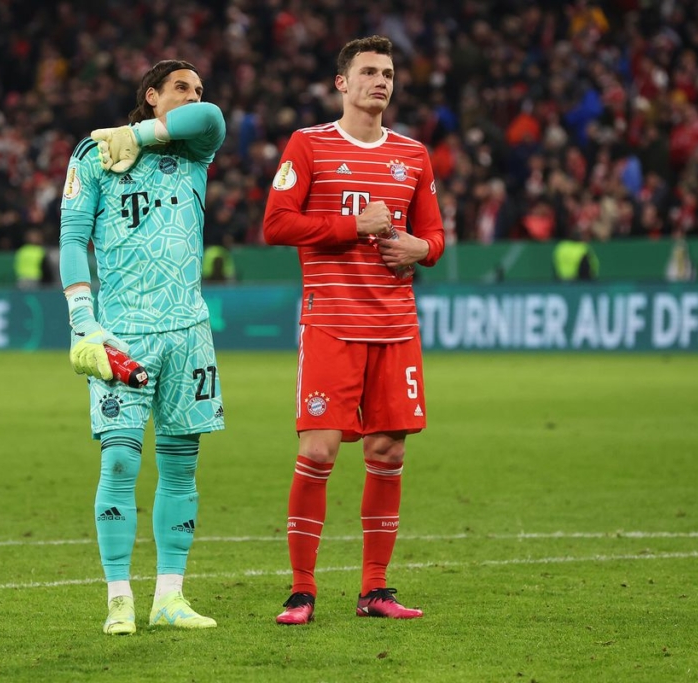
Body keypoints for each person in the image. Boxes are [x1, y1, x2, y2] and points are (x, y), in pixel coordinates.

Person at [261, 35, 446, 625]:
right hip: (331, 325)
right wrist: (350, 226)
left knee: (387, 452)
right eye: (368, 72)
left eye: (387, 73)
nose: (381, 81)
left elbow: (434, 237)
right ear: (342, 83)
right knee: (317, 452)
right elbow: (275, 224)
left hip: (395, 327)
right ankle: (301, 590)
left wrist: (422, 248)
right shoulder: (309, 144)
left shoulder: (414, 155)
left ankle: (375, 590)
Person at [58, 59, 227, 636]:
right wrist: (84, 321)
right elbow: (72, 238)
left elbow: (213, 117)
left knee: (181, 467)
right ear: (151, 94)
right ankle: (119, 598)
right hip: (123, 333)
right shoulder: (94, 156)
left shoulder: (196, 151)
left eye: (197, 87)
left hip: (188, 332)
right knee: (122, 458)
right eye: (181, 86)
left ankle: (170, 598)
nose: (193, 96)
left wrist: (137, 134)